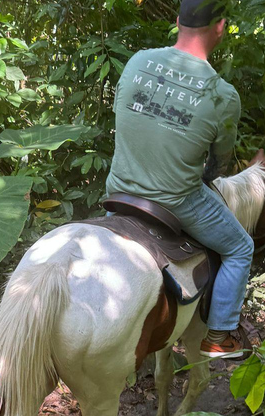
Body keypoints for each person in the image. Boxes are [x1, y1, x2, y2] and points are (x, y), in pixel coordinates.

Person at [106, 0, 251, 358]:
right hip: (177, 201)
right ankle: (219, 336)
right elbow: (218, 163)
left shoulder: (138, 61)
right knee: (240, 248)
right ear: (220, 26)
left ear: (177, 22)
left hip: (118, 192)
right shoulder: (222, 95)